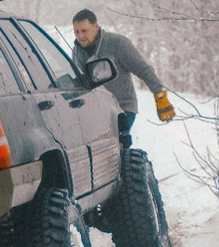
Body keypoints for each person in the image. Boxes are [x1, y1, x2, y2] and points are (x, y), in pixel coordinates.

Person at [71, 9, 175, 148]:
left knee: (116, 146)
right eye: (76, 32)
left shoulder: (117, 43)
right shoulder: (77, 51)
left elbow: (142, 68)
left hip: (122, 108)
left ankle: (131, 166)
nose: (80, 36)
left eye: (84, 31)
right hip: (95, 110)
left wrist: (160, 96)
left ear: (96, 27)